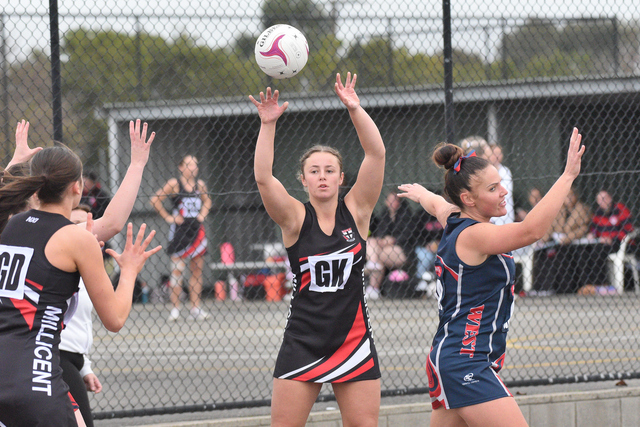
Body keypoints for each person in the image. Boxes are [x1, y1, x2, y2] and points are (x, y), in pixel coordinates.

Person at [396, 127, 584, 427]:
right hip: (464, 362)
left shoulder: (454, 218)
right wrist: (567, 176)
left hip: (459, 358)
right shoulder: (475, 235)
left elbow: (436, 204)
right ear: (468, 198)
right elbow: (531, 231)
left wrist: (422, 194)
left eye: (501, 184)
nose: (504, 192)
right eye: (493, 188)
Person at [249, 72, 385, 427]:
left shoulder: (357, 212)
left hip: (353, 339)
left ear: (341, 178)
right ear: (303, 180)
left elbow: (376, 154)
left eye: (329, 170)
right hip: (304, 340)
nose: (322, 176)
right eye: (314, 171)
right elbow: (263, 177)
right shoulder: (295, 218)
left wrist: (355, 109)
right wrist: (268, 124)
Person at [0, 141, 161, 426]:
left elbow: (110, 223)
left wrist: (13, 166)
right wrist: (129, 270)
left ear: (36, 187)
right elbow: (115, 319)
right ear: (77, 187)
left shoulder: (12, 225)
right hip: (36, 380)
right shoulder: (76, 239)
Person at [150, 154, 212, 321]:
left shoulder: (200, 185)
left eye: (195, 164)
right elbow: (155, 200)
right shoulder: (174, 184)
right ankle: (175, 309)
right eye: (189, 164)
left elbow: (207, 201)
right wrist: (168, 217)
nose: (193, 168)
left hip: (197, 232)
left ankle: (195, 308)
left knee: (197, 270)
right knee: (177, 272)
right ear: (181, 167)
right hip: (180, 232)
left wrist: (202, 215)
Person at [59, 205, 102, 427]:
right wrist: (128, 274)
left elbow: (80, 322)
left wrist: (85, 368)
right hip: (57, 356)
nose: (83, 229)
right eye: (75, 224)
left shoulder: (87, 269)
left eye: (87, 225)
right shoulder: (58, 264)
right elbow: (115, 319)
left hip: (75, 357)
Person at [532, 186, 591, 293]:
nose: (568, 199)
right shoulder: (560, 210)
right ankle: (543, 287)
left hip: (573, 243)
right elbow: (551, 226)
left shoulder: (581, 209)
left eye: (571, 196)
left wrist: (567, 238)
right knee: (542, 253)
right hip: (557, 241)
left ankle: (565, 287)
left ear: (575, 196)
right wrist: (543, 238)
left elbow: (583, 228)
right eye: (566, 196)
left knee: (562, 254)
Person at [578, 189, 635, 290]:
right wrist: (592, 235)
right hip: (602, 243)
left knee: (598, 251)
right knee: (584, 251)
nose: (602, 201)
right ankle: (588, 285)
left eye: (604, 198)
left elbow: (628, 230)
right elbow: (594, 229)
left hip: (620, 243)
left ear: (610, 198)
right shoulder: (598, 213)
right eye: (599, 200)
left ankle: (601, 284)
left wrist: (611, 238)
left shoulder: (620, 209)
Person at [366, 191, 414, 299]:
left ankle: (373, 286)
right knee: (370, 241)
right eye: (390, 200)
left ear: (399, 202)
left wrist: (392, 240)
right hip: (384, 248)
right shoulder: (385, 214)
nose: (392, 202)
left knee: (378, 257)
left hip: (401, 249)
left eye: (395, 200)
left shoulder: (406, 214)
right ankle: (373, 267)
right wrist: (382, 240)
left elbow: (407, 235)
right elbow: (379, 232)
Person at [487, 143, 514, 225]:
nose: (497, 156)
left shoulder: (506, 171)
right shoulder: (485, 172)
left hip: (507, 215)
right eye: (494, 153)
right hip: (492, 217)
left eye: (499, 153)